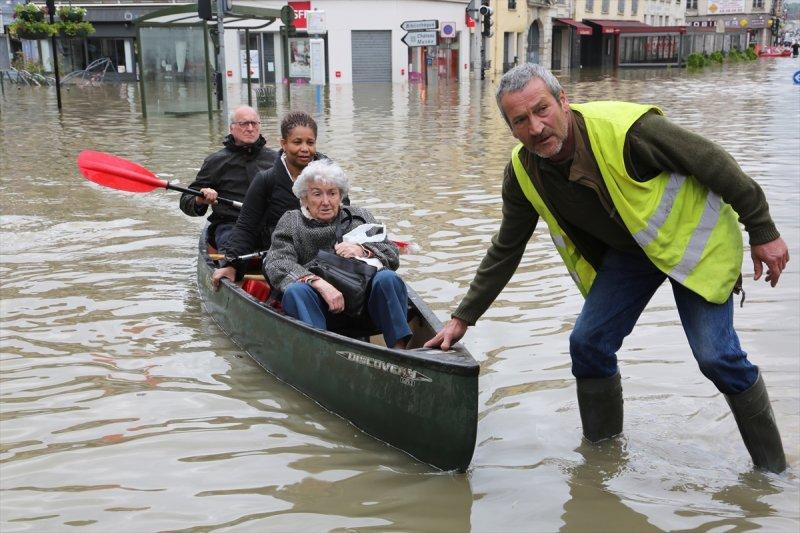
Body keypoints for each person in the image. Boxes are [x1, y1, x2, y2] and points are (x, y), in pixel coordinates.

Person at [424, 64, 789, 473]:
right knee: (587, 344)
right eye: (521, 120)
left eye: (542, 109)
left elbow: (715, 163)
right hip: (630, 257)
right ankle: (601, 460)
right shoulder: (523, 172)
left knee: (716, 357)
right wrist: (463, 318)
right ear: (511, 129)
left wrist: (763, 230)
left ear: (563, 100)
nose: (537, 127)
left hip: (693, 247)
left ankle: (773, 474)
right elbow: (506, 247)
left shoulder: (628, 131)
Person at [265, 160, 411, 349]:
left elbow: (391, 254)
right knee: (296, 290)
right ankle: (320, 352)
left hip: (363, 307)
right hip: (317, 308)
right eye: (317, 194)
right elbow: (277, 262)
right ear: (304, 198)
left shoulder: (360, 217)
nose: (326, 202)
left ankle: (400, 351)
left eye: (332, 193)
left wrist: (362, 250)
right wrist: (318, 282)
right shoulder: (291, 222)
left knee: (388, 278)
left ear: (340, 196)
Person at [211, 111, 334, 287]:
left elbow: (343, 218)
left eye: (310, 142)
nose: (305, 149)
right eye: (297, 142)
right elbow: (246, 226)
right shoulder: (265, 180)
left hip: (324, 254)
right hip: (280, 256)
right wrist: (231, 265)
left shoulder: (331, 175)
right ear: (283, 143)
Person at [179, 105, 277, 250]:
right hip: (230, 225)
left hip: (269, 226)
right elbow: (186, 200)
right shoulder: (215, 161)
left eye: (254, 123)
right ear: (231, 128)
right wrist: (200, 199)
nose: (250, 128)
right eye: (244, 123)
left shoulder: (277, 160)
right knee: (233, 248)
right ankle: (229, 268)